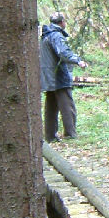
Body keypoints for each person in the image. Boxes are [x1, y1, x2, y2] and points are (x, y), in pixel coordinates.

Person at [40, 12, 87, 141]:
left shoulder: (46, 35)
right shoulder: (56, 36)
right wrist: (78, 60)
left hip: (48, 76)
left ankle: (50, 136)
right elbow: (63, 52)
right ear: (62, 23)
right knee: (67, 105)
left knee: (51, 106)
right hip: (58, 75)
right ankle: (70, 133)